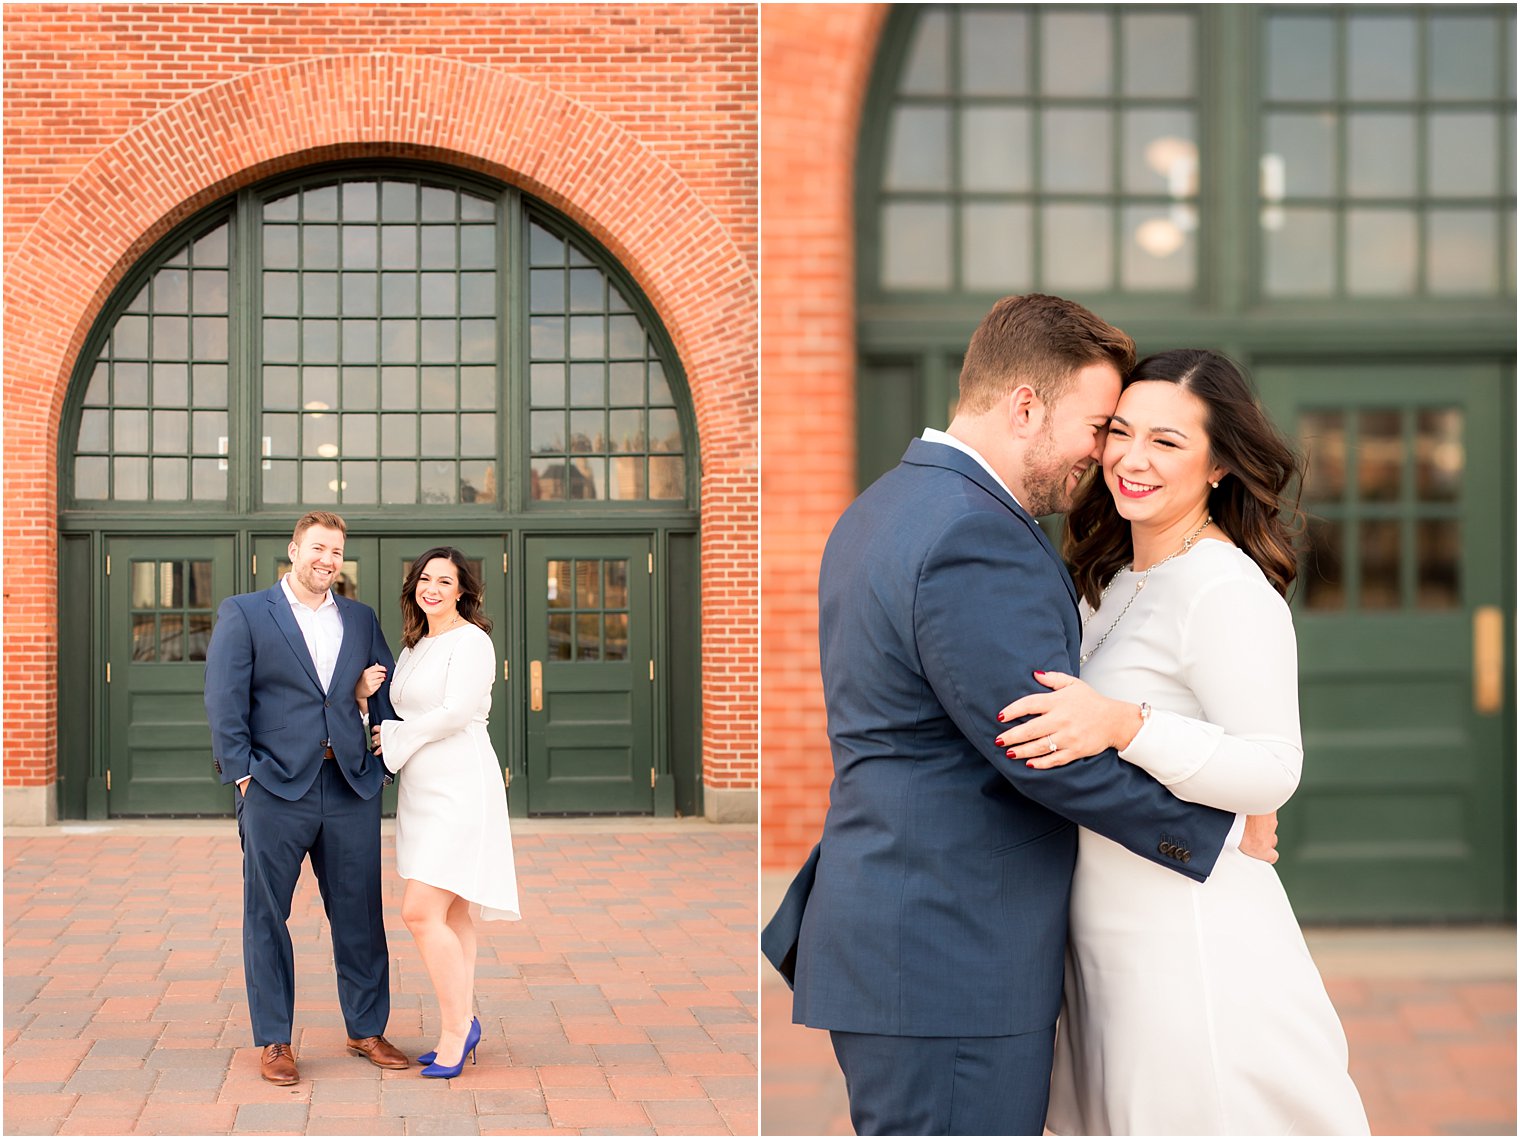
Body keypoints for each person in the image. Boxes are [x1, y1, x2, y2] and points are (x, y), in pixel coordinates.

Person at [761, 294, 1278, 1136]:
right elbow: (1041, 744)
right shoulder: (975, 531)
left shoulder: (885, 506)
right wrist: (1214, 830)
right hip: (951, 955)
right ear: (1025, 405)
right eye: (1100, 424)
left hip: (907, 934)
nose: (1104, 454)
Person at [994, 349, 1369, 1134]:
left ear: (1221, 463)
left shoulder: (1227, 589)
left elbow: (1273, 766)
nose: (1132, 459)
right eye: (1120, 432)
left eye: (1166, 441)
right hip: (1104, 936)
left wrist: (1127, 723)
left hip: (1188, 940)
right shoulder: (1112, 577)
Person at [204, 511, 408, 1085]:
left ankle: (365, 1028)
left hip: (347, 785)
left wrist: (378, 756)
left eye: (337, 551)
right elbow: (224, 699)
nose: (328, 560)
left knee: (362, 914)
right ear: (294, 550)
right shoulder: (245, 612)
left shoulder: (362, 619)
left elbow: (384, 693)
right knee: (267, 915)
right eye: (318, 548)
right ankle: (274, 1040)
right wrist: (244, 775)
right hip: (275, 788)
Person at [364, 546, 519, 1080]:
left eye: (444, 581)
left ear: (463, 592)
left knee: (419, 912)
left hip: (461, 786)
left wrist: (398, 736)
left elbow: (454, 713)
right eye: (424, 579)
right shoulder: (414, 646)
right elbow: (397, 706)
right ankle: (463, 1021)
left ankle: (458, 1029)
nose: (432, 588)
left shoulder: (472, 642)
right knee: (452, 914)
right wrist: (366, 697)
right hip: (422, 791)